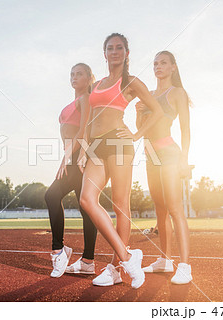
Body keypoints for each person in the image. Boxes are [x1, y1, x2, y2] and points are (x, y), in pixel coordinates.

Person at [79, 33, 164, 289]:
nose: (114, 51)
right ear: (104, 53)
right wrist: (83, 149)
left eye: (119, 48)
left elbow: (157, 111)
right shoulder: (96, 85)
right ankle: (128, 257)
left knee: (120, 205)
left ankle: (116, 268)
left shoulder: (131, 82)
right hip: (95, 146)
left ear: (126, 53)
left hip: (118, 142)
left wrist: (137, 134)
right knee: (86, 200)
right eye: (109, 48)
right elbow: (88, 120)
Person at [136, 51, 192, 284]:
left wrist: (184, 160)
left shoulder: (177, 93)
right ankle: (165, 260)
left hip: (169, 154)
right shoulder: (147, 94)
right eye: (155, 63)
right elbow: (141, 129)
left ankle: (185, 266)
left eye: (163, 63)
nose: (158, 66)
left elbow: (185, 130)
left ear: (173, 67)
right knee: (159, 209)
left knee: (174, 208)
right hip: (150, 156)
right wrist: (138, 114)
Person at [45, 63, 98, 278]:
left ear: (89, 78)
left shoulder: (85, 99)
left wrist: (72, 155)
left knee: (51, 195)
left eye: (80, 74)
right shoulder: (74, 101)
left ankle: (59, 250)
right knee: (86, 209)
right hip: (72, 155)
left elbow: (85, 128)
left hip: (79, 157)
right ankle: (87, 261)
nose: (75, 77)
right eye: (72, 74)